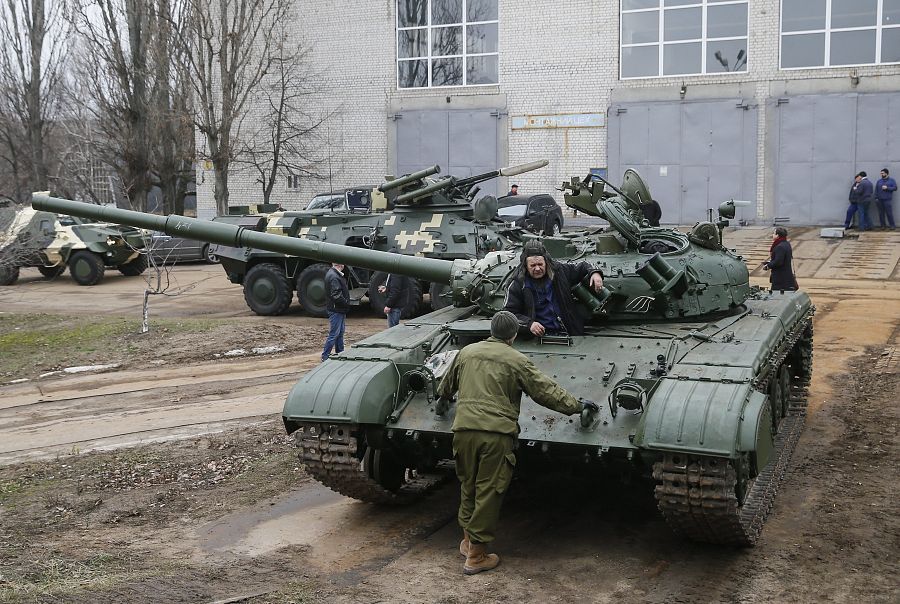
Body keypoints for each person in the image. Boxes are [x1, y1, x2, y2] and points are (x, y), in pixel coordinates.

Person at [436, 310, 598, 575]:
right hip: (495, 434)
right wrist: (577, 407)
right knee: (489, 491)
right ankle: (476, 556)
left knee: (468, 486)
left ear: (491, 330)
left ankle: (467, 542)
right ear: (513, 335)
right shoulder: (516, 360)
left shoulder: (467, 352)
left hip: (463, 430)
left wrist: (443, 398)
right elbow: (545, 392)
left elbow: (446, 386)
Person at [503, 240, 604, 337]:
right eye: (533, 265)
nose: (537, 269)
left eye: (540, 264)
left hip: (569, 331)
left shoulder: (559, 271)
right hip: (536, 337)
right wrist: (529, 324)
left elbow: (584, 265)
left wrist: (595, 273)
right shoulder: (517, 283)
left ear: (546, 262)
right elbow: (507, 315)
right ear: (525, 266)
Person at [321, 262, 349, 361]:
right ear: (341, 265)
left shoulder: (333, 274)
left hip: (338, 309)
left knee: (339, 332)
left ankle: (340, 353)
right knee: (334, 334)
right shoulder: (334, 276)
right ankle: (325, 355)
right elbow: (336, 295)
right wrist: (346, 303)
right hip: (336, 309)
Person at [377, 248, 410, 327]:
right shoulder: (397, 269)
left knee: (393, 329)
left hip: (395, 306)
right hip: (396, 305)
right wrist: (386, 288)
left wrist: (388, 305)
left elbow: (396, 290)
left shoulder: (396, 272)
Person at [763, 227, 797, 292]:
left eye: (774, 233)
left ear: (777, 235)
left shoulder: (779, 246)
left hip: (780, 278)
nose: (772, 235)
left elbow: (778, 261)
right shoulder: (787, 244)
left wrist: (768, 266)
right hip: (786, 277)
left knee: (777, 295)